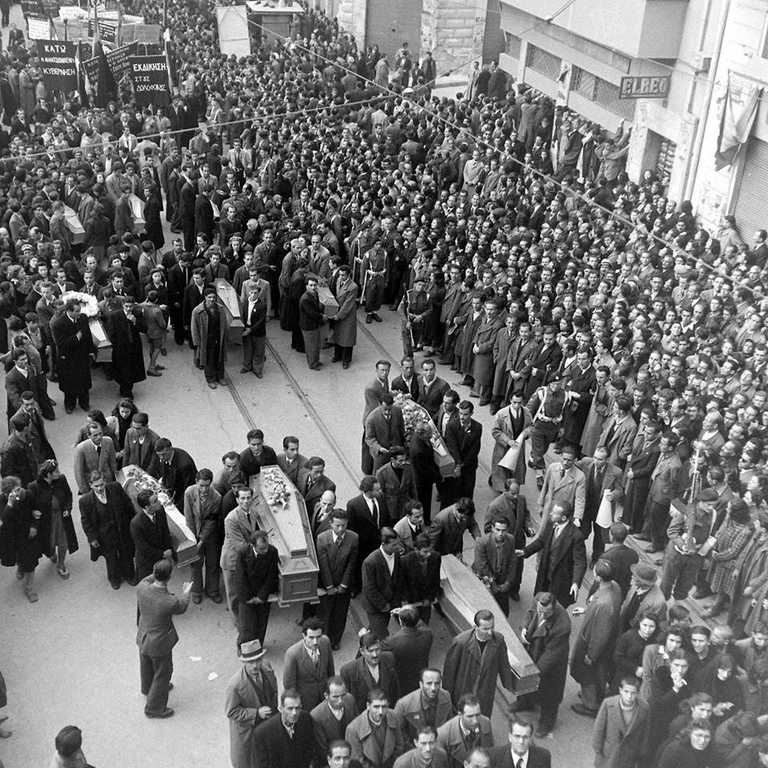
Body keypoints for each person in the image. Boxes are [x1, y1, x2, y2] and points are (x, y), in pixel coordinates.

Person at [136, 558, 192, 719]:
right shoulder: (169, 601)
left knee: (146, 664)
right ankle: (154, 708)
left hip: (143, 635)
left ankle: (147, 687)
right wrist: (186, 592)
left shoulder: (141, 587)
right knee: (163, 672)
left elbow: (148, 579)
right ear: (169, 577)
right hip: (159, 643)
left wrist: (157, 572)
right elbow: (182, 606)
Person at [514, 592, 571, 738]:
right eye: (540, 610)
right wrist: (525, 627)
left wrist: (534, 673)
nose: (542, 615)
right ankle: (525, 702)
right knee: (527, 683)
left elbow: (551, 655)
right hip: (533, 649)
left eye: (546, 613)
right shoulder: (538, 599)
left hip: (552, 662)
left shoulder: (563, 625)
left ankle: (547, 721)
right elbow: (530, 613)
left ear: (554, 608)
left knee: (549, 693)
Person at [570, 559, 622, 717]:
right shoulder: (615, 587)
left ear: (598, 577)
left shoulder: (604, 604)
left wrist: (591, 655)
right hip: (607, 641)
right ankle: (592, 696)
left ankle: (590, 704)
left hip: (593, 646)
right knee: (597, 673)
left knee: (589, 674)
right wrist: (587, 610)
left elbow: (600, 634)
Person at [442, 610, 515, 717]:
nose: (490, 632)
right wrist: (446, 697)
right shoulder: (460, 642)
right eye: (485, 629)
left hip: (485, 691)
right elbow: (449, 672)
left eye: (492, 627)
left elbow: (504, 663)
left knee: (482, 717)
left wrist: (509, 684)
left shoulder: (499, 640)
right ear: (476, 627)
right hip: (463, 690)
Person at [518, 502, 587, 608]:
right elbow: (541, 541)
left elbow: (580, 562)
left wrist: (576, 582)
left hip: (561, 580)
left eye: (554, 513)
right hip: (545, 574)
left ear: (563, 518)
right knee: (540, 602)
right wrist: (525, 551)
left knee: (554, 607)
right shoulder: (551, 524)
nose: (550, 514)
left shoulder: (576, 536)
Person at [225, 639, 278, 768]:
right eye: (250, 662)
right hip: (248, 732)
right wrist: (257, 713)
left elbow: (274, 692)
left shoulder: (267, 669)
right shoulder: (235, 685)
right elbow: (231, 712)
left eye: (258, 660)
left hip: (269, 726)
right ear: (244, 662)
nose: (255, 665)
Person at [79, 470, 135, 589]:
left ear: (105, 481)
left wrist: (132, 523)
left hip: (121, 529)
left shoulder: (115, 488)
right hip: (104, 536)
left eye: (101, 484)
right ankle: (114, 578)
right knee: (111, 558)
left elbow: (128, 504)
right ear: (90, 485)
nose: (100, 488)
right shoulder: (85, 501)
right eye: (96, 486)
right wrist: (92, 538)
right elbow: (86, 521)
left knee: (126, 552)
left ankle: (129, 575)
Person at [28, 459, 77, 581]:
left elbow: (68, 495)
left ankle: (61, 564)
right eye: (56, 471)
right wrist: (33, 512)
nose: (59, 473)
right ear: (48, 474)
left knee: (63, 543)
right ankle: (51, 553)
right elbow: (29, 505)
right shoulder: (34, 487)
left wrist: (68, 508)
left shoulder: (61, 479)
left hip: (61, 518)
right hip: (46, 522)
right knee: (49, 544)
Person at [578, 446, 625, 564]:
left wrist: (613, 495)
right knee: (581, 533)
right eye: (595, 457)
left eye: (600, 459)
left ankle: (596, 559)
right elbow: (572, 467)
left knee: (600, 537)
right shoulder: (585, 463)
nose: (596, 461)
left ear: (607, 460)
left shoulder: (616, 472)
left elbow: (620, 490)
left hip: (602, 510)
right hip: (586, 507)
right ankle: (579, 556)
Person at [182, 468, 223, 604]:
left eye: (207, 485)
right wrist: (193, 539)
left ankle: (213, 590)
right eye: (201, 485)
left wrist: (202, 540)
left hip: (210, 535)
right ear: (196, 482)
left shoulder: (216, 497)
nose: (204, 489)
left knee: (212, 563)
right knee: (195, 564)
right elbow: (188, 517)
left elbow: (212, 521)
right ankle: (196, 591)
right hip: (193, 533)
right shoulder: (189, 493)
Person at [592, 676, 650, 768]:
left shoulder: (643, 708)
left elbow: (646, 731)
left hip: (629, 755)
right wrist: (597, 749)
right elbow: (599, 728)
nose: (629, 696)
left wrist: (642, 751)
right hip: (609, 753)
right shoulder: (608, 704)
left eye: (633, 693)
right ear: (620, 690)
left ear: (638, 693)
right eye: (626, 692)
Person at [235, 529, 279, 648]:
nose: (265, 551)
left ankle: (258, 647)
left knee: (261, 623)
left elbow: (271, 576)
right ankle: (244, 649)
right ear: (252, 545)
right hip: (247, 595)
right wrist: (248, 598)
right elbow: (240, 577)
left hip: (262, 593)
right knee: (246, 626)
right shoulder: (243, 552)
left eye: (266, 547)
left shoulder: (273, 552)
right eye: (261, 549)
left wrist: (261, 596)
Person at [0, 480, 42, 602]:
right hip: (13, 537)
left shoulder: (27, 494)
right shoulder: (2, 501)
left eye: (19, 488)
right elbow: (4, 520)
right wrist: (10, 504)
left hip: (28, 535)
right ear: (7, 494)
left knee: (30, 562)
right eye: (15, 491)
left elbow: (37, 510)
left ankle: (29, 588)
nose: (19, 492)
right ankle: (21, 567)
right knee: (19, 558)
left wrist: (34, 526)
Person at [221, 486, 260, 615]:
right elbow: (240, 546)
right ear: (237, 500)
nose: (246, 501)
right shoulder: (231, 519)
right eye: (242, 498)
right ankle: (238, 622)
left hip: (243, 558)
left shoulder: (253, 512)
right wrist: (261, 549)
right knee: (234, 595)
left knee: (243, 591)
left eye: (248, 498)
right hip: (232, 560)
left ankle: (245, 617)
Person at [253, 689, 318, 768]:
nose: (294, 713)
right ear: (281, 708)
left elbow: (310, 750)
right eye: (290, 708)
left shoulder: (306, 719)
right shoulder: (262, 733)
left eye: (297, 708)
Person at [50, 298, 93, 413]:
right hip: (68, 359)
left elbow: (88, 335)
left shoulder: (83, 318)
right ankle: (70, 404)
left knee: (84, 382)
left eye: (79, 310)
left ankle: (84, 403)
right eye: (76, 311)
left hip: (82, 356)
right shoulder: (58, 324)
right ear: (68, 311)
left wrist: (91, 350)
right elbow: (61, 344)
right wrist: (76, 338)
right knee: (70, 384)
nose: (79, 313)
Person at [345, 688, 407, 768]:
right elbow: (357, 759)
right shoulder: (353, 729)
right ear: (368, 706)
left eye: (384, 707)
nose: (380, 712)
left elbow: (399, 745)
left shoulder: (394, 717)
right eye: (376, 707)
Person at [341, 631, 401, 713]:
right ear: (362, 651)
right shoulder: (348, 671)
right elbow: (348, 703)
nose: (375, 654)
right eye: (370, 651)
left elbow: (396, 691)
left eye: (377, 649)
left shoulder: (389, 659)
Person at [283, 618, 336, 711]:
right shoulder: (292, 654)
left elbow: (330, 671)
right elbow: (289, 685)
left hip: (324, 698)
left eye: (318, 637)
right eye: (311, 638)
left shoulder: (325, 642)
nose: (315, 642)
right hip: (306, 702)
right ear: (304, 636)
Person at [361, 528, 403, 639]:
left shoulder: (396, 555)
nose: (398, 547)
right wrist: (383, 605)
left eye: (398, 543)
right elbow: (369, 588)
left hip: (390, 602)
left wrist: (395, 601)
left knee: (375, 631)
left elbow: (398, 578)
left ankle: (364, 646)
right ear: (384, 544)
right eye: (394, 545)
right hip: (375, 606)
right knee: (382, 636)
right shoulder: (370, 562)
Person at [473, 515, 518, 615]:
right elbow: (481, 566)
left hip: (502, 579)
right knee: (486, 610)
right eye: (497, 530)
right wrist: (493, 584)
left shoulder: (511, 539)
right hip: (485, 579)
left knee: (504, 612)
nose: (500, 533)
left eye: (503, 530)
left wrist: (508, 582)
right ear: (492, 528)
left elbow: (513, 562)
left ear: (508, 530)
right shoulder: (482, 542)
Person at [384, 606, 434, 695]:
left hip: (403, 677)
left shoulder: (393, 641)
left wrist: (363, 635)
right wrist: (407, 613)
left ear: (401, 622)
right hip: (421, 673)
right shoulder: (428, 633)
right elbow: (421, 624)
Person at [393, 668, 452, 741]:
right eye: (429, 683)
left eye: (437, 683)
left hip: (439, 744)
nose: (433, 688)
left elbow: (450, 726)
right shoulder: (404, 704)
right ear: (421, 684)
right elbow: (396, 735)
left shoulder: (446, 697)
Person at [436, 694, 494, 768]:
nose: (475, 721)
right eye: (470, 716)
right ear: (460, 715)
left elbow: (490, 754)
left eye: (478, 715)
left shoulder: (485, 723)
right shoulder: (442, 735)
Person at [489, 392, 531, 492]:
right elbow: (495, 431)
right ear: (510, 400)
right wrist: (508, 441)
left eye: (519, 403)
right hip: (503, 446)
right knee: (501, 468)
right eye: (514, 402)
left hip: (518, 446)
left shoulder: (526, 413)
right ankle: (501, 488)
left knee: (516, 467)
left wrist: (526, 432)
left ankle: (513, 487)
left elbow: (531, 426)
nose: (517, 405)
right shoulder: (501, 413)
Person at [130, 489, 174, 582]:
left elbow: (165, 532)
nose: (159, 502)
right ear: (147, 507)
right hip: (146, 562)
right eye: (155, 501)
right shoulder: (136, 523)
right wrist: (162, 554)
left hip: (161, 558)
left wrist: (168, 549)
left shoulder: (160, 511)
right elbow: (142, 547)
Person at [190, 287, 230, 388]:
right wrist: (197, 342)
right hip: (206, 340)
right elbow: (194, 328)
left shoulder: (220, 309)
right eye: (209, 297)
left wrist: (225, 336)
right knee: (209, 360)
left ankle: (220, 377)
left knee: (219, 358)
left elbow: (225, 324)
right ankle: (210, 379)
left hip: (218, 338)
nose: (212, 299)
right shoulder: (197, 311)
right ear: (205, 297)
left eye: (213, 297)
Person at [444, 401, 482, 503]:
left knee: (468, 491)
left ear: (471, 413)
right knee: (455, 492)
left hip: (469, 465)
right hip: (456, 465)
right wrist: (458, 464)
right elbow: (452, 447)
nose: (462, 417)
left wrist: (464, 464)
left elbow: (475, 448)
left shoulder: (477, 427)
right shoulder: (451, 425)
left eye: (465, 414)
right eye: (460, 413)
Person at [109, 296, 146, 398]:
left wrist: (135, 321)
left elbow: (144, 329)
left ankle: (127, 390)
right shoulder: (115, 315)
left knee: (132, 369)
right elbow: (111, 332)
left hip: (134, 346)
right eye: (126, 306)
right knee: (122, 369)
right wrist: (115, 346)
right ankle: (125, 390)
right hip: (121, 347)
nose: (129, 308)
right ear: (122, 305)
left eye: (130, 306)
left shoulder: (137, 314)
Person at [311, 679, 358, 760]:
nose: (340, 700)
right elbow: (322, 749)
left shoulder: (350, 700)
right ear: (326, 696)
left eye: (343, 695)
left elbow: (358, 729)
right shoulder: (316, 716)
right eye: (335, 697)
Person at [400, 533, 442, 624]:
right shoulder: (405, 561)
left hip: (427, 599)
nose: (429, 554)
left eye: (430, 550)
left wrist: (429, 598)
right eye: (425, 552)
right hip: (412, 600)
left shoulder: (436, 557)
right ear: (416, 549)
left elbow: (436, 579)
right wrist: (405, 601)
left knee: (425, 623)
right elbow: (403, 584)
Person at [487, 715, 552, 768]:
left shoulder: (543, 756)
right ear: (510, 737)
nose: (521, 741)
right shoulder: (493, 757)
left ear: (531, 738)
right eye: (517, 736)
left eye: (525, 737)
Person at [147, 437, 198, 504]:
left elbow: (189, 490)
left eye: (163, 454)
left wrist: (177, 505)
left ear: (170, 449)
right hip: (174, 489)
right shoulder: (166, 456)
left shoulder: (185, 465)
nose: (161, 458)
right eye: (159, 455)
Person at [365, 394, 406, 473]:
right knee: (380, 473)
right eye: (385, 409)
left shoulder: (397, 411)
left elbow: (401, 428)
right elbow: (369, 438)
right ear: (380, 405)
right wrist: (379, 448)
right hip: (381, 454)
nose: (387, 412)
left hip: (396, 450)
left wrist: (402, 444)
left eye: (390, 409)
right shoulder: (371, 419)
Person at [73, 423, 118, 494]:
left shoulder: (108, 441)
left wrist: (116, 481)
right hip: (92, 486)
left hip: (108, 482)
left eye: (100, 433)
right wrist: (85, 491)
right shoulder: (81, 449)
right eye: (95, 435)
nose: (99, 437)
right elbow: (79, 473)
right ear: (89, 436)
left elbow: (113, 463)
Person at [375, 446, 417, 523]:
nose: (403, 463)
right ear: (392, 460)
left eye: (404, 460)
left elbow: (413, 488)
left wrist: (415, 504)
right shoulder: (381, 473)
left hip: (405, 509)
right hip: (390, 511)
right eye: (400, 461)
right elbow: (379, 495)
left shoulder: (409, 468)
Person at [331, 264, 359, 369]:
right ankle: (337, 355)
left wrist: (338, 316)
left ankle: (346, 360)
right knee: (338, 336)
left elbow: (348, 304)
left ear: (348, 275)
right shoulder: (339, 281)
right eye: (340, 274)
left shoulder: (353, 287)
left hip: (347, 315)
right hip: (338, 311)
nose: (341, 277)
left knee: (347, 338)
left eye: (343, 275)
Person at [240, 283, 268, 377]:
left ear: (259, 293)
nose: (253, 295)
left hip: (258, 331)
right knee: (247, 349)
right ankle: (247, 366)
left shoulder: (262, 305)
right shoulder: (245, 303)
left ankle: (257, 369)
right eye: (251, 292)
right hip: (246, 328)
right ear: (248, 292)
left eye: (255, 293)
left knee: (259, 351)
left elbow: (261, 321)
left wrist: (250, 330)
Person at [299, 275, 326, 370]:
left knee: (316, 345)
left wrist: (321, 306)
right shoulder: (305, 299)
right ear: (306, 286)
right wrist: (322, 317)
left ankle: (316, 361)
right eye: (311, 285)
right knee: (311, 346)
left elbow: (316, 308)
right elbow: (312, 313)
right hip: (309, 326)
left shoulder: (314, 294)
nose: (313, 287)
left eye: (315, 285)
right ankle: (313, 364)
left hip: (314, 325)